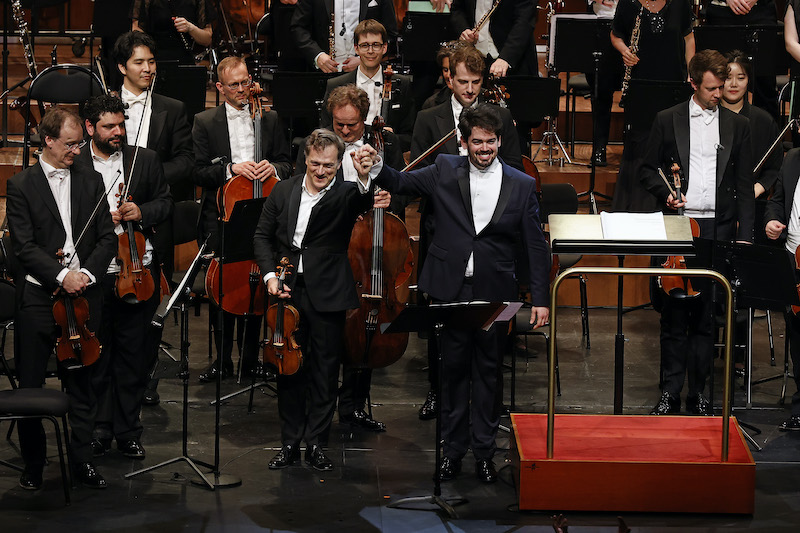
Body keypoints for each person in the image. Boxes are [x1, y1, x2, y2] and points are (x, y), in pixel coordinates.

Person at [354, 103, 550, 483]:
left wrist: (539, 299)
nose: (485, 149)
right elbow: (401, 183)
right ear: (464, 142)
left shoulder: (522, 184)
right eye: (477, 142)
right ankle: (452, 451)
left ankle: (483, 453)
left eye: (491, 142)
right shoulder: (444, 170)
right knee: (452, 373)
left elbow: (535, 246)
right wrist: (376, 166)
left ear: (499, 140)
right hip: (449, 290)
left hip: (500, 295)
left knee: (490, 374)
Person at [253, 129, 378, 471]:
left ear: (339, 164)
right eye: (315, 164)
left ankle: (317, 444)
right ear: (304, 160)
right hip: (287, 289)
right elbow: (262, 236)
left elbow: (363, 199)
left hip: (328, 293)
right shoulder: (283, 190)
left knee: (324, 371)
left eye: (328, 165)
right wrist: (270, 276)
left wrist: (365, 177)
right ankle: (290, 443)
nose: (321, 171)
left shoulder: (346, 193)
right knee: (288, 369)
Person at [6, 107, 117, 490]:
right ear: (48, 140)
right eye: (70, 144)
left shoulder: (90, 180)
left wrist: (84, 275)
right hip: (39, 298)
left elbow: (108, 238)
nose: (77, 150)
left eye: (80, 143)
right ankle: (34, 464)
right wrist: (60, 275)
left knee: (84, 382)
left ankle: (82, 460)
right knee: (31, 385)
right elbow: (23, 246)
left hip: (83, 297)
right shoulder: (21, 185)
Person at [410, 42, 523, 421]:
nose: (470, 89)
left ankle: (490, 402)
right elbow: (416, 176)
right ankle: (437, 392)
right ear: (449, 77)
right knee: (442, 320)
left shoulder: (499, 118)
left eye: (476, 82)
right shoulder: (430, 117)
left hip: (488, 242)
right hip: (444, 233)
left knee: (489, 334)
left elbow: (514, 172)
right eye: (463, 81)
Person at [641, 49, 754, 416]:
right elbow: (646, 170)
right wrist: (666, 194)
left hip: (717, 230)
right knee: (673, 316)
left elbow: (743, 184)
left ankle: (699, 394)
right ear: (693, 83)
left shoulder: (738, 126)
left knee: (707, 318)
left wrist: (745, 238)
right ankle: (669, 393)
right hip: (678, 226)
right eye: (711, 89)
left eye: (721, 87)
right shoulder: (667, 119)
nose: (719, 95)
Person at [73, 95, 172, 460]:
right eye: (108, 127)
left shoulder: (143, 160)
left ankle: (129, 430)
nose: (118, 132)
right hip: (95, 276)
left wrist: (140, 210)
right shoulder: (76, 163)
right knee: (99, 357)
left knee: (133, 358)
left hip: (138, 273)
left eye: (120, 125)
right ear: (89, 128)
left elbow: (165, 203)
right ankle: (100, 428)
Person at [299, 85, 400, 434]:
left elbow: (399, 187)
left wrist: (385, 195)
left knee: (364, 326)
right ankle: (318, 405)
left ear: (365, 120)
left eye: (352, 126)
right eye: (338, 124)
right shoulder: (322, 146)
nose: (344, 132)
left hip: (366, 245)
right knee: (326, 336)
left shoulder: (385, 145)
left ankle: (355, 404)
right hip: (330, 249)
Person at [193, 56, 293, 382]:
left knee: (257, 281)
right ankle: (223, 360)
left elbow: (287, 164)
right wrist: (229, 170)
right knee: (223, 286)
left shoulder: (271, 118)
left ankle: (250, 360)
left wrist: (273, 169)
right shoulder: (205, 122)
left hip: (263, 212)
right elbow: (196, 171)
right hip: (222, 215)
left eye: (245, 82)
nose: (241, 89)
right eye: (233, 84)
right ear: (219, 87)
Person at [114, 30, 195, 405]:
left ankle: (145, 381)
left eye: (151, 62)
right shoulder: (103, 105)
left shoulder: (173, 108)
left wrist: (149, 177)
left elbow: (185, 162)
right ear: (121, 67)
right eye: (138, 62)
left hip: (156, 217)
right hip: (110, 218)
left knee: (149, 307)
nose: (148, 69)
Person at [609, 0, 694, 212]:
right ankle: (636, 204)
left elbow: (689, 38)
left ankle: (673, 198)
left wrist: (692, 73)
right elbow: (616, 34)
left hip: (673, 83)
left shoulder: (680, 3)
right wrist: (624, 51)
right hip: (641, 84)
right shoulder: (629, 4)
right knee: (641, 142)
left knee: (671, 140)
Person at [321, 19, 415, 151]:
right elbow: (326, 131)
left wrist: (390, 139)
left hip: (386, 158)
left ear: (384, 48)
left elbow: (410, 136)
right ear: (356, 48)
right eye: (365, 45)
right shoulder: (336, 85)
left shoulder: (402, 84)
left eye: (376, 45)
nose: (370, 51)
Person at [721, 50, 781, 239]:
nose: (733, 84)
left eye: (741, 77)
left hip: (753, 203)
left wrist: (756, 189)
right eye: (728, 77)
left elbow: (774, 166)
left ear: (748, 81)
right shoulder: (708, 117)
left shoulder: (763, 121)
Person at [764, 148, 800, 431]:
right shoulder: (792, 159)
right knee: (798, 337)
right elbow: (777, 201)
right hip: (792, 257)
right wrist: (771, 221)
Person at [706, 0, 779, 121]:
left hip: (761, 11)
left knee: (764, 83)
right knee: (720, 77)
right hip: (721, 11)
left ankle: (769, 137)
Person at [290, 0, 398, 73]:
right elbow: (298, 27)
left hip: (366, 74)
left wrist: (366, 59)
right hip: (324, 72)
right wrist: (317, 55)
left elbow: (390, 34)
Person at [450, 0, 538, 78]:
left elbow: (524, 22)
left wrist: (506, 58)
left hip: (515, 62)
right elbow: (457, 8)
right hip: (474, 60)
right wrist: (463, 29)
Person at [131, 0, 215, 63]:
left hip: (185, 59)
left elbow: (207, 39)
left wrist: (190, 28)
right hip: (153, 58)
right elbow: (136, 31)